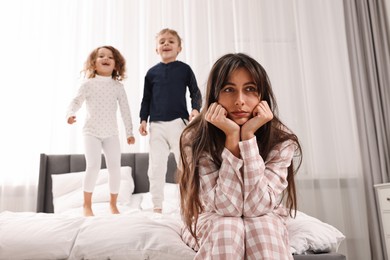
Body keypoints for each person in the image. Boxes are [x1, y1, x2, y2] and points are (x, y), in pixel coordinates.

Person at [179, 53, 302, 259]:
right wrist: (232, 137)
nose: (240, 101)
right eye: (228, 90)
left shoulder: (281, 140)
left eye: (250, 89)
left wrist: (247, 139)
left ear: (262, 96)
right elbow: (227, 208)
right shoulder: (195, 138)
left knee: (262, 228)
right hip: (210, 216)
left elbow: (258, 207)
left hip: (264, 216)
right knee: (228, 228)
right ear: (214, 96)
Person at [66, 46, 135, 217]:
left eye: (110, 57)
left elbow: (125, 110)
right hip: (91, 132)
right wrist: (70, 114)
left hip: (111, 133)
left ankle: (113, 204)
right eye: (101, 56)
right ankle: (87, 205)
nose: (106, 58)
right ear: (93, 64)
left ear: (116, 65)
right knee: (93, 166)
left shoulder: (117, 87)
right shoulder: (88, 84)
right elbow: (76, 101)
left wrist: (129, 132)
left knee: (115, 168)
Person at [139, 28, 202, 213]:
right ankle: (157, 205)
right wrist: (143, 119)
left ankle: (190, 202)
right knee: (156, 166)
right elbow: (146, 99)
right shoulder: (151, 73)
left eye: (171, 41)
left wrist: (196, 110)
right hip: (156, 125)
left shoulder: (184, 69)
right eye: (162, 42)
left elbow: (195, 92)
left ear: (179, 48)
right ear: (156, 49)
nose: (166, 44)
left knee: (187, 164)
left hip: (179, 124)